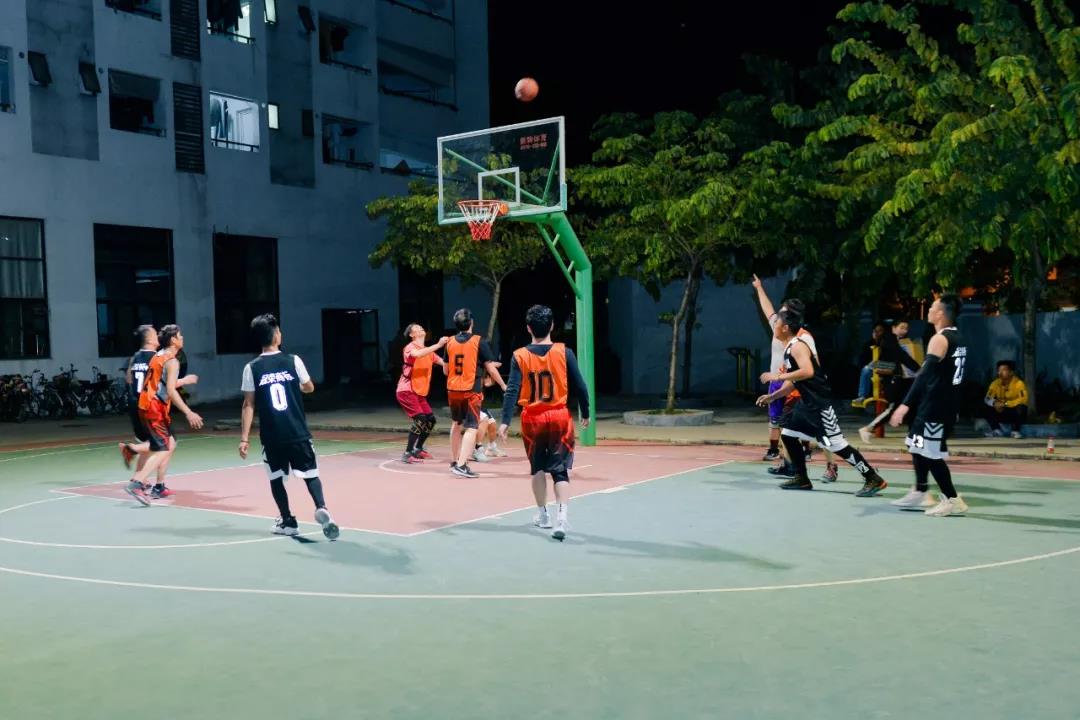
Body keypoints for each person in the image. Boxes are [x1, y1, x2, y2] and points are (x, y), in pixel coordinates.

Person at [756, 310, 887, 495]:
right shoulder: (789, 348)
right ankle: (801, 478)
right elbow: (795, 380)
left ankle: (873, 478)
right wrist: (774, 396)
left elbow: (808, 371)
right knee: (788, 434)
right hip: (807, 403)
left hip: (819, 404)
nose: (774, 326)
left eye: (776, 323)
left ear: (785, 328)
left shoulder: (797, 346)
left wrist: (777, 376)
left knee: (837, 445)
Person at [239, 314, 339, 540]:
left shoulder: (251, 368)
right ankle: (321, 506)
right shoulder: (293, 360)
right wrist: (297, 387)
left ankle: (288, 521)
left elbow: (248, 404)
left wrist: (244, 439)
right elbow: (309, 387)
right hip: (297, 432)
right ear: (276, 335)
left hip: (272, 435)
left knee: (276, 478)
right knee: (310, 474)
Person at [499, 305, 591, 540]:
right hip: (559, 417)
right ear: (552, 326)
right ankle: (561, 519)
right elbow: (580, 386)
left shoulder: (519, 355)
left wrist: (505, 421)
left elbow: (512, 390)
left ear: (528, 328)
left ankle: (543, 515)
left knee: (538, 468)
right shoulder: (564, 352)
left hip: (533, 419)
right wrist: (586, 411)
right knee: (560, 472)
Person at [751, 275, 837, 482]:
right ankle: (790, 465)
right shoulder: (779, 329)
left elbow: (812, 367)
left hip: (802, 387)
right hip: (784, 382)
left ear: (791, 317)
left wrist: (784, 376)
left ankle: (830, 466)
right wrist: (759, 288)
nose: (778, 314)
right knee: (786, 427)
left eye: (783, 311)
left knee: (818, 429)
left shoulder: (803, 338)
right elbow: (767, 309)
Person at [890, 295, 970, 517]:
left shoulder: (939, 339)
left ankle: (952, 499)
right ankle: (920, 490)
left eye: (932, 307)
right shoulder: (958, 337)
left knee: (932, 453)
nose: (929, 310)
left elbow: (923, 375)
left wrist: (905, 405)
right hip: (936, 404)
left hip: (937, 407)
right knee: (916, 444)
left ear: (941, 313)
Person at [124, 325, 203, 505]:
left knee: (168, 443)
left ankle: (158, 485)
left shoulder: (157, 355)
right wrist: (188, 412)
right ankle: (137, 482)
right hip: (154, 407)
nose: (182, 338)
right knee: (163, 448)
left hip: (146, 404)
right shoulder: (171, 361)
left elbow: (154, 382)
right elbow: (171, 390)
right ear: (173, 340)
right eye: (180, 336)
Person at [444, 308, 506, 478]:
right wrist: (503, 385)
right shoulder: (479, 341)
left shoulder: (449, 342)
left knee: (456, 424)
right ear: (471, 322)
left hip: (453, 389)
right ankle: (462, 465)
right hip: (470, 390)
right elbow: (491, 369)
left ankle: (454, 461)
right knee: (471, 427)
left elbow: (445, 370)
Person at [858, 319, 922, 442]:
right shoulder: (889, 339)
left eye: (906, 328)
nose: (904, 331)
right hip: (892, 380)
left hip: (900, 379)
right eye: (901, 327)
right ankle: (868, 428)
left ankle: (912, 435)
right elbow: (902, 356)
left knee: (911, 406)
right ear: (893, 328)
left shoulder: (899, 340)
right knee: (893, 408)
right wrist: (917, 369)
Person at [396, 323, 447, 464]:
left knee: (430, 420)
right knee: (420, 419)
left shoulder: (428, 351)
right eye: (416, 328)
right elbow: (417, 354)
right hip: (407, 390)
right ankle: (407, 453)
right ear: (412, 335)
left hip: (419, 392)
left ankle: (418, 449)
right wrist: (438, 345)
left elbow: (444, 363)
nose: (420, 328)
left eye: (420, 327)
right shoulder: (410, 347)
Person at [982, 360, 1028, 439]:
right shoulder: (995, 383)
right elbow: (987, 398)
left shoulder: (1019, 383)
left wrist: (1006, 404)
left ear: (1011, 372)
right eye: (999, 370)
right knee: (986, 406)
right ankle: (996, 431)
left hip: (1013, 411)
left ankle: (1015, 431)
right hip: (1001, 410)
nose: (1000, 372)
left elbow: (1023, 399)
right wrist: (994, 403)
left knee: (1021, 407)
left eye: (1004, 370)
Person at [851, 322, 888, 406]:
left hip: (888, 366)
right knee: (866, 370)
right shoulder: (868, 344)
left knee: (871, 366)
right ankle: (862, 396)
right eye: (875, 331)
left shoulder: (888, 342)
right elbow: (862, 361)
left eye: (880, 331)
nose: (877, 333)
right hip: (873, 369)